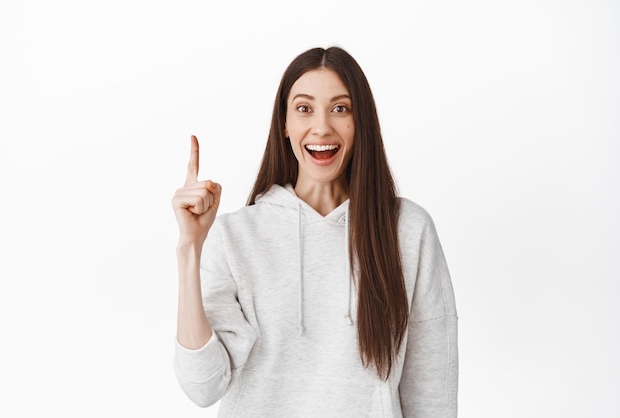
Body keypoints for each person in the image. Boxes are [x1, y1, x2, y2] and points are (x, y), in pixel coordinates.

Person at [171, 46, 458, 417]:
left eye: (340, 108)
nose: (322, 127)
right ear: (285, 124)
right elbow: (203, 386)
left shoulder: (408, 230)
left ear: (361, 122)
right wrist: (190, 247)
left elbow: (433, 394)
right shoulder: (236, 237)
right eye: (304, 108)